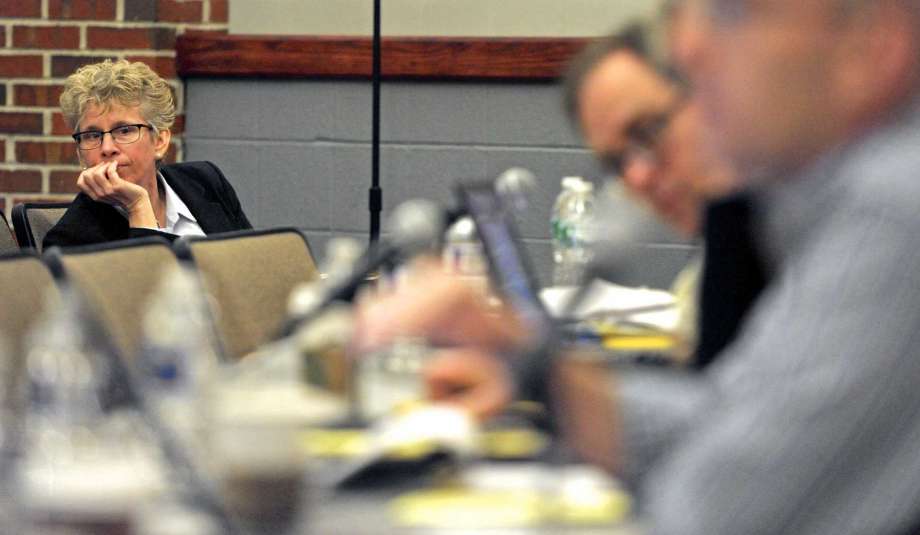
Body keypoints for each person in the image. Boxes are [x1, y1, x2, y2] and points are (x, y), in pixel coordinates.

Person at [356, 0, 920, 533]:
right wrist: (529, 363)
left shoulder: (895, 213)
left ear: (874, 43)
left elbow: (709, 513)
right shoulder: (833, 209)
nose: (691, 44)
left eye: (734, 10)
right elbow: (725, 422)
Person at [563, 20, 766, 367]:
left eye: (647, 132)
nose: (638, 177)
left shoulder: (807, 226)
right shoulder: (726, 226)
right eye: (616, 163)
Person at [43, 60, 252, 250]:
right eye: (92, 135)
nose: (107, 147)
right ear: (80, 153)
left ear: (160, 141)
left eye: (124, 131)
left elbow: (255, 263)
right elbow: (157, 289)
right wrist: (138, 206)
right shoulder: (71, 239)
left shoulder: (205, 180)